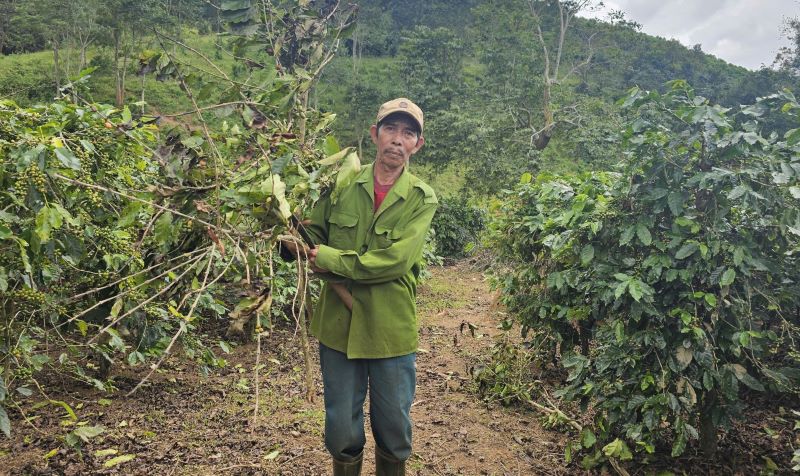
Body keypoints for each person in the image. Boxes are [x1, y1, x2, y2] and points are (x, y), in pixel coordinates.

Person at [294, 98, 437, 475]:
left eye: (408, 133)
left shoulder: (421, 198)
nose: (398, 139)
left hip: (389, 327)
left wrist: (331, 259)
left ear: (417, 144)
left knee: (393, 425)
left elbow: (396, 261)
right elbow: (313, 234)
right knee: (341, 426)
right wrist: (287, 229)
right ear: (375, 134)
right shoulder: (340, 185)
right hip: (338, 327)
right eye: (390, 129)